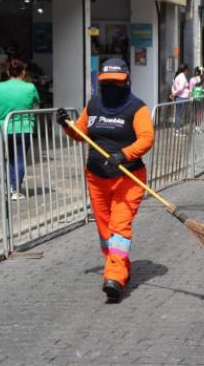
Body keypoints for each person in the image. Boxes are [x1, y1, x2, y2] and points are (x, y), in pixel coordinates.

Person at [56, 58, 154, 303]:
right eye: (107, 82)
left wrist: (123, 155)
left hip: (128, 178)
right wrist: (66, 125)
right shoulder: (94, 105)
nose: (111, 86)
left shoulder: (137, 108)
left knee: (119, 228)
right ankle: (120, 265)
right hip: (96, 177)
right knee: (105, 232)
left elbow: (146, 138)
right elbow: (80, 134)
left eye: (116, 82)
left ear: (127, 81)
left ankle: (114, 277)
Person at [0, 59, 39, 199]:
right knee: (20, 158)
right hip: (25, 127)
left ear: (8, 72)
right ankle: (15, 189)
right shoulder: (30, 87)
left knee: (10, 158)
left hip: (6, 129)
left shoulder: (0, 87)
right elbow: (36, 101)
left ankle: (11, 186)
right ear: (23, 72)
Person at [170, 63, 190, 134]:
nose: (188, 72)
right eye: (187, 70)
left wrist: (174, 93)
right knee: (179, 115)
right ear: (185, 70)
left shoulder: (177, 76)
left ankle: (177, 129)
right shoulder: (182, 77)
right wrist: (174, 94)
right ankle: (177, 130)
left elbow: (173, 87)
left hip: (179, 97)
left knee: (178, 114)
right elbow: (181, 88)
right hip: (182, 97)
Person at [190, 67, 204, 134]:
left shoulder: (192, 79)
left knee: (195, 113)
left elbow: (191, 89)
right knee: (200, 114)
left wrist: (191, 97)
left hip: (195, 98)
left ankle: (195, 127)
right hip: (201, 98)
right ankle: (197, 127)